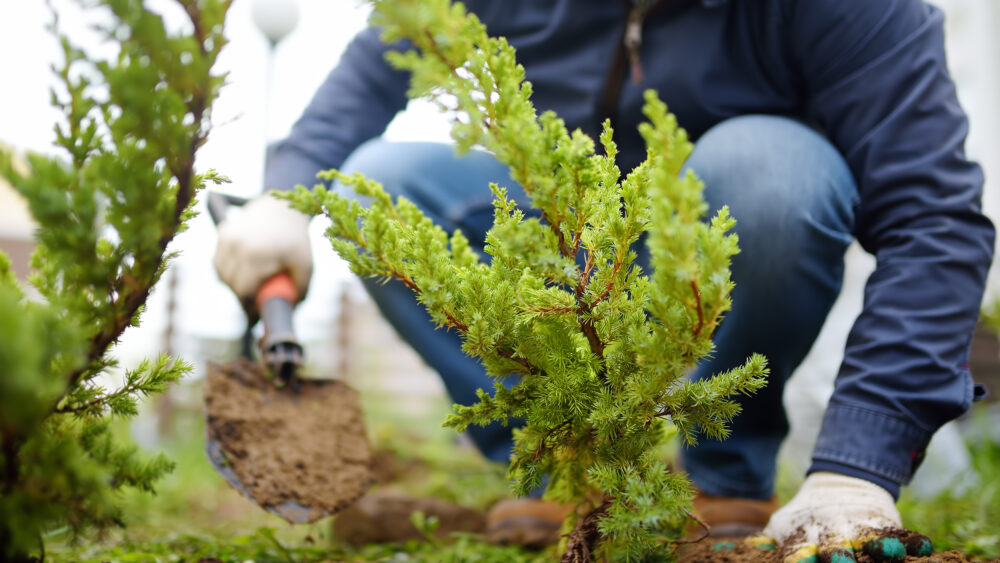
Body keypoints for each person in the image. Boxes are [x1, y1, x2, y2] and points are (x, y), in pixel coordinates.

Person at [214, 0, 994, 558]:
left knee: (771, 171)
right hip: (570, 255)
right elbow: (388, 43)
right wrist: (285, 191)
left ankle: (725, 468)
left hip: (722, 253)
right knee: (368, 191)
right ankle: (558, 459)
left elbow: (934, 221)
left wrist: (859, 465)